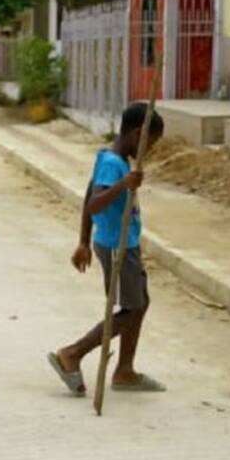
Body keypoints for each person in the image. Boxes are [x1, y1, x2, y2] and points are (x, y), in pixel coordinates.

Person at [47, 102, 166, 396]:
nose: (149, 150)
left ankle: (125, 370)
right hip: (117, 246)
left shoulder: (109, 157)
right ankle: (72, 354)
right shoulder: (114, 164)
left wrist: (83, 241)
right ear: (138, 134)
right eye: (150, 143)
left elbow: (89, 191)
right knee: (130, 309)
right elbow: (95, 202)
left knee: (141, 302)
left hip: (126, 244)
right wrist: (124, 185)